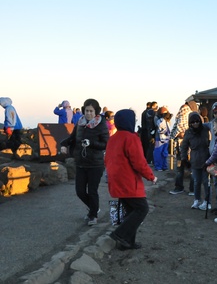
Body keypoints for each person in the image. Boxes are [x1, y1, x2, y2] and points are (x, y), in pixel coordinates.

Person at [105, 109, 157, 250]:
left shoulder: (113, 139)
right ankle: (120, 235)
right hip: (128, 181)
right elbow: (139, 162)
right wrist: (151, 176)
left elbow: (107, 160)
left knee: (130, 211)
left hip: (116, 180)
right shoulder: (131, 138)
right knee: (142, 209)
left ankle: (127, 242)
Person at [60, 98, 109, 226]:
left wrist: (91, 143)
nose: (88, 114)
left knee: (92, 191)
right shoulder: (80, 123)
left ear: (96, 112)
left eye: (91, 111)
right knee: (80, 191)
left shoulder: (101, 124)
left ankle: (93, 215)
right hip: (81, 162)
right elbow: (72, 138)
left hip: (95, 163)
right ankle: (94, 208)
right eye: (86, 111)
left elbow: (106, 143)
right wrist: (64, 144)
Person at [180, 112, 210, 210]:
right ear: (190, 123)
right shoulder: (188, 132)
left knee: (206, 181)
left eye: (197, 121)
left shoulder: (206, 129)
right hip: (195, 159)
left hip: (206, 158)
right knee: (196, 181)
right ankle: (197, 200)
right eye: (193, 122)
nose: (195, 123)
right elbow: (184, 146)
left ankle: (207, 201)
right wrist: (184, 159)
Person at [169, 100, 198, 195]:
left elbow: (177, 129)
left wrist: (175, 135)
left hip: (181, 147)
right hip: (191, 146)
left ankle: (179, 187)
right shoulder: (196, 116)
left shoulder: (183, 112)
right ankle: (192, 189)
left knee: (180, 167)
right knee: (192, 168)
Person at [153, 106, 172, 171]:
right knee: (160, 153)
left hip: (161, 138)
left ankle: (162, 166)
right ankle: (160, 166)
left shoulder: (158, 119)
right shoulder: (163, 120)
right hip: (161, 138)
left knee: (163, 152)